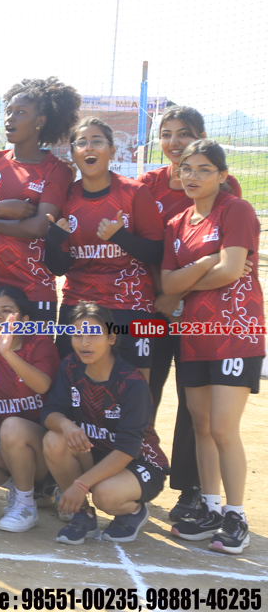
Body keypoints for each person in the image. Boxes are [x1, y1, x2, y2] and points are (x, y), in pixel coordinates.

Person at [138, 105, 245, 523]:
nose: (174, 141)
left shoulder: (225, 189)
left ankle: (192, 488)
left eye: (183, 133)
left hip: (198, 311)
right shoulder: (147, 185)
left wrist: (180, 293)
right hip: (151, 304)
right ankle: (139, 468)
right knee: (144, 391)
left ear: (200, 137)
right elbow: (148, 248)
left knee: (194, 402)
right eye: (166, 133)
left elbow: (228, 258)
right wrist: (164, 294)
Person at [161, 140, 262, 554]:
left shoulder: (236, 209)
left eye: (204, 169)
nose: (193, 176)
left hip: (236, 332)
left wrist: (184, 284)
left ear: (222, 175)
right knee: (201, 425)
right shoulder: (176, 223)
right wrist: (205, 264)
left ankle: (236, 516)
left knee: (222, 427)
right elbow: (167, 285)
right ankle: (212, 508)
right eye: (187, 168)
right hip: (194, 336)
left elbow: (232, 269)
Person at [44, 118, 164, 380]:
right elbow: (60, 268)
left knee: (135, 385)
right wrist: (52, 242)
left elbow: (157, 252)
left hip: (130, 304)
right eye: (82, 143)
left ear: (112, 150)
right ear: (73, 153)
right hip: (79, 303)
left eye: (97, 141)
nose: (89, 147)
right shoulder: (67, 197)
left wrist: (121, 237)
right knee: (72, 383)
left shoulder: (135, 192)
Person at [42, 302, 169, 545]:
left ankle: (133, 511)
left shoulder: (131, 382)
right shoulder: (70, 365)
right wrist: (66, 425)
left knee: (105, 495)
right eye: (77, 335)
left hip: (139, 461)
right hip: (96, 452)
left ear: (111, 338)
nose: (84, 343)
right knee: (54, 439)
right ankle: (83, 515)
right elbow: (50, 412)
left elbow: (128, 448)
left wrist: (81, 484)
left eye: (93, 335)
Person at [0, 77, 81, 319]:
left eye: (20, 112)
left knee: (33, 345)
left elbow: (39, 227)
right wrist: (0, 209)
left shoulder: (57, 170)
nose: (10, 118)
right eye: (8, 111)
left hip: (33, 285)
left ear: (40, 121)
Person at [0, 286, 60, 531]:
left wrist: (6, 352)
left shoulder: (40, 344)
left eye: (7, 310)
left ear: (24, 320)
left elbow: (42, 385)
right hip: (4, 438)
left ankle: (26, 506)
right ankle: (19, 487)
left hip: (44, 443)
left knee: (12, 426)